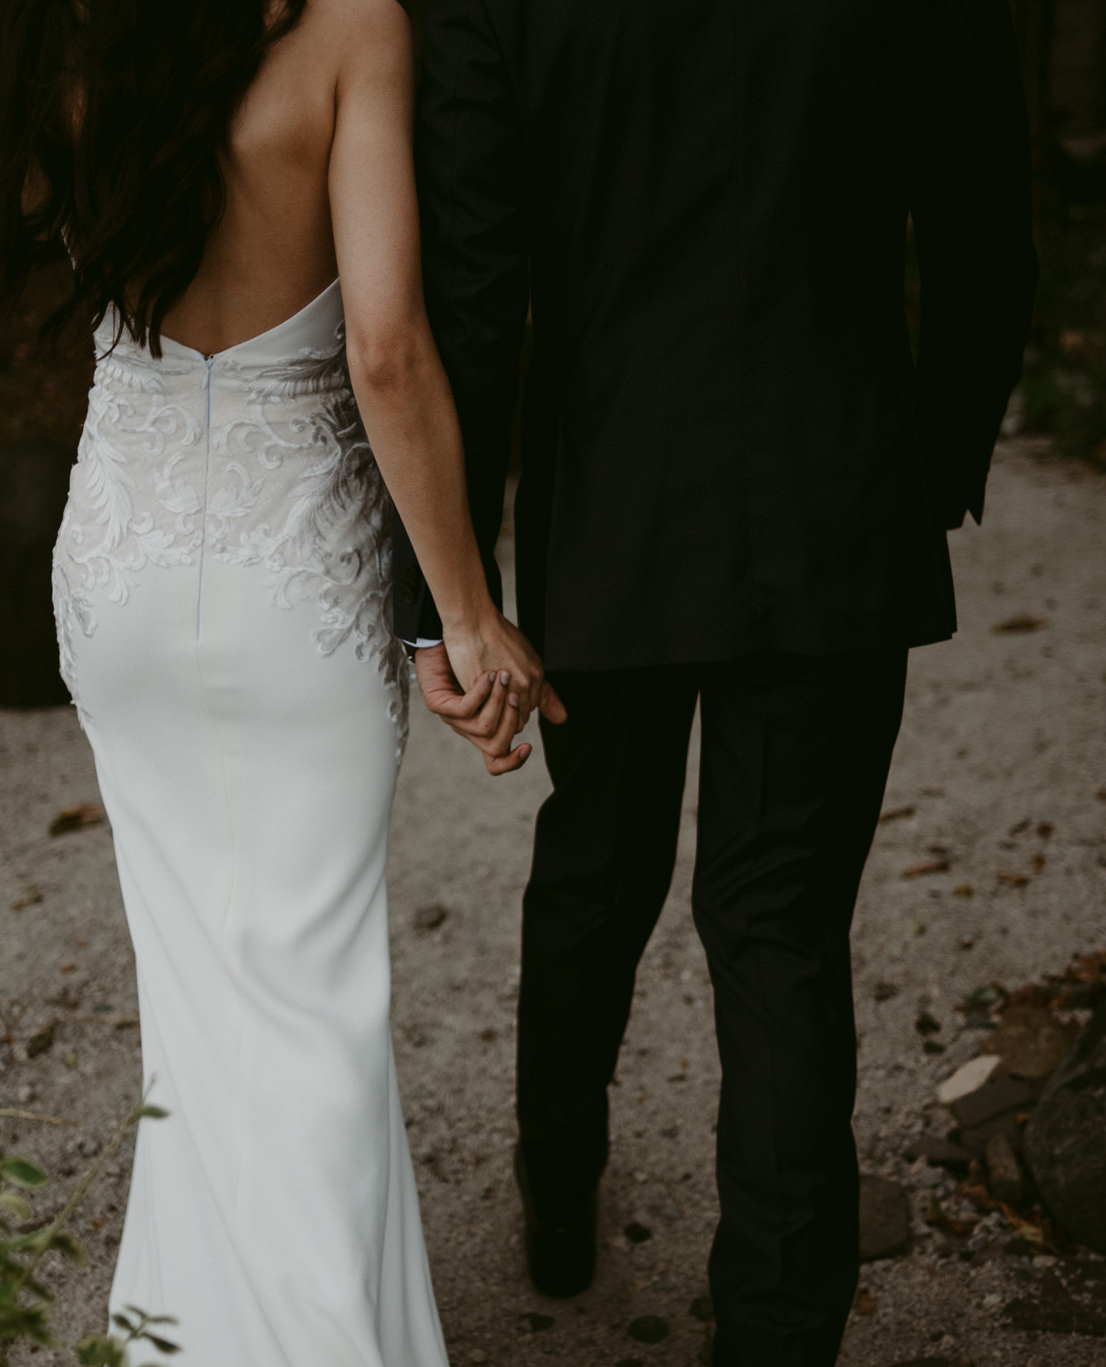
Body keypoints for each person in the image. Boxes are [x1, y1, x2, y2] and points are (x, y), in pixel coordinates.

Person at [397, 3, 1039, 1364]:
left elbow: (470, 278)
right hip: (838, 495)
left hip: (616, 506)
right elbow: (985, 220)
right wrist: (925, 463)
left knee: (595, 866)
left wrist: (447, 584)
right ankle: (777, 1329)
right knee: (781, 921)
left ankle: (558, 1198)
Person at [0, 1, 557, 1363]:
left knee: (197, 1001)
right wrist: (462, 613)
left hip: (120, 561)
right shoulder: (356, 32)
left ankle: (192, 1337)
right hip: (293, 581)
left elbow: (51, 217)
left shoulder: (66, 39)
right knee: (313, 998)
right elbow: (388, 349)